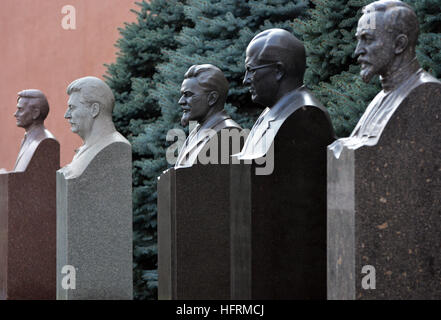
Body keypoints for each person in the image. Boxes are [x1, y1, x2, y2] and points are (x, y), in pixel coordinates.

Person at [330, 0, 441, 157]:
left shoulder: (427, 93)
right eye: (358, 40)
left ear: (399, 44)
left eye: (367, 39)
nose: (357, 51)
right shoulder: (381, 96)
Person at [235, 28, 334, 160]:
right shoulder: (270, 112)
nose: (245, 80)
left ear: (279, 71)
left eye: (251, 70)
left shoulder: (305, 114)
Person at [60, 76, 130, 179]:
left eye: (72, 107)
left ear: (94, 109)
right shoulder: (86, 148)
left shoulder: (114, 147)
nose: (66, 115)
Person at [175, 64, 242, 169]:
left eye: (188, 95)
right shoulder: (196, 131)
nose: (181, 101)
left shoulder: (229, 133)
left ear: (212, 98)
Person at [13, 89, 57, 172]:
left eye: (20, 109)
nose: (15, 114)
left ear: (35, 113)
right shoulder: (27, 139)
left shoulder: (45, 142)